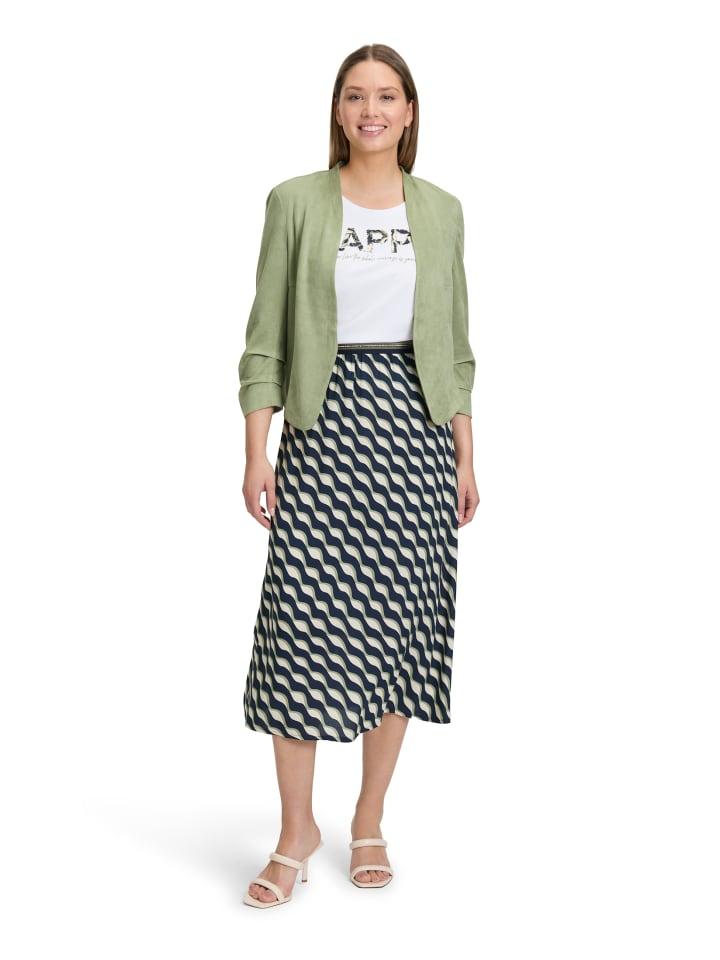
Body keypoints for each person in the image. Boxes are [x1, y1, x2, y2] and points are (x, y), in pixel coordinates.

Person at [238, 43, 480, 909]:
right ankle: (294, 831)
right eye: (355, 96)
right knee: (300, 628)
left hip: (415, 438)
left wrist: (466, 451)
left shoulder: (441, 211)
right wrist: (257, 448)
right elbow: (266, 338)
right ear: (338, 110)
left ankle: (369, 817)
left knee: (399, 630)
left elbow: (454, 346)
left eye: (386, 96)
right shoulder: (297, 201)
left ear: (409, 112)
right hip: (325, 428)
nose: (370, 110)